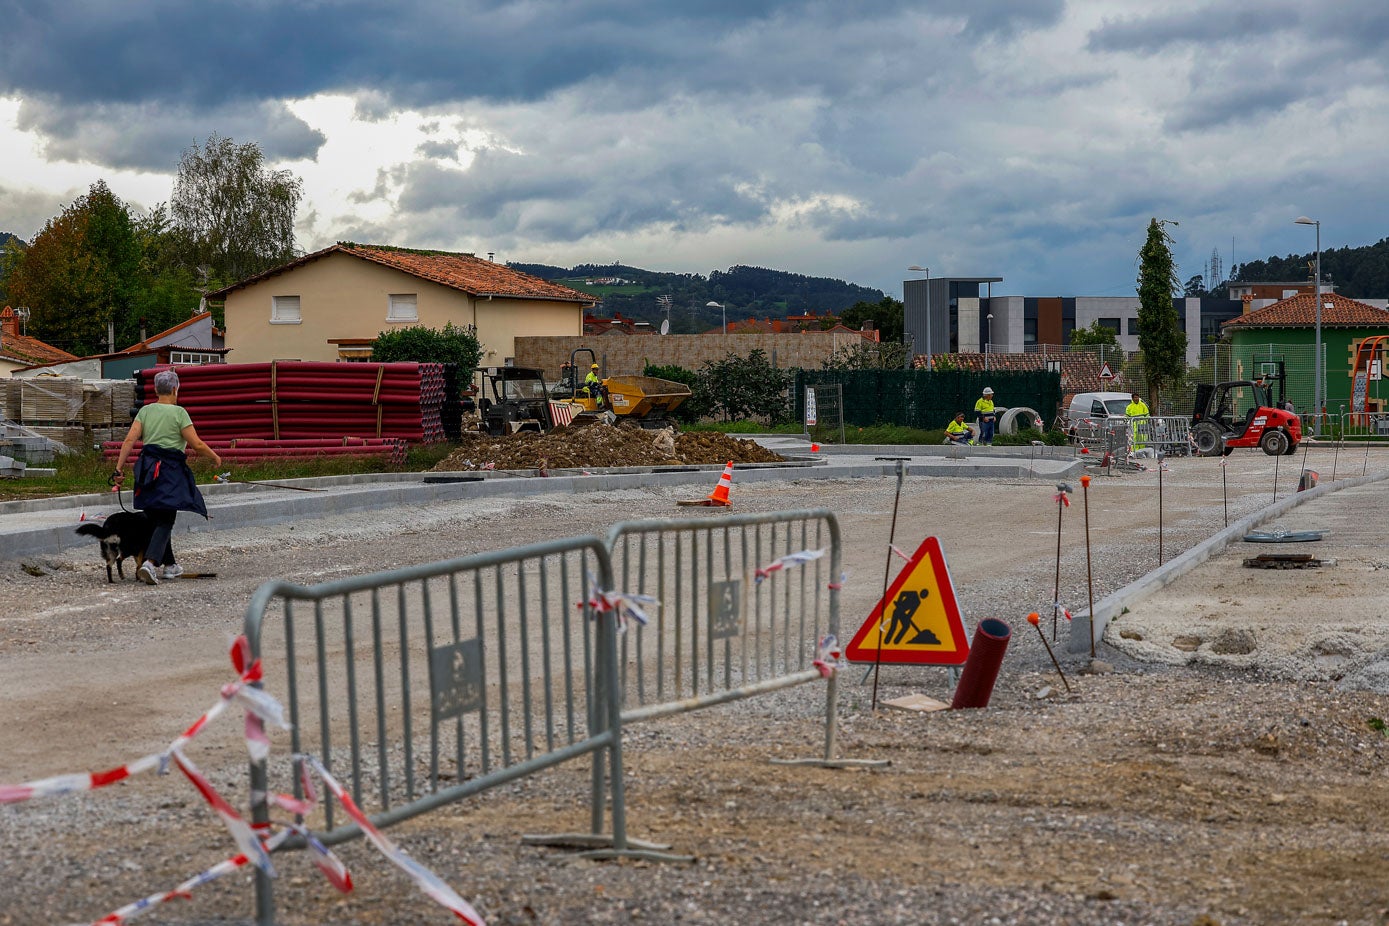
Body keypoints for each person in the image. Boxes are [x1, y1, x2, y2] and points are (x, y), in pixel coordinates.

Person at [113, 369, 222, 585]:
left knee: (156, 518)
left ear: (155, 389)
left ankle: (170, 565)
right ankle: (151, 563)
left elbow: (128, 441)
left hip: (146, 470)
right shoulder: (179, 413)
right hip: (169, 472)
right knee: (166, 518)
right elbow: (196, 443)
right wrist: (215, 456)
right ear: (175, 389)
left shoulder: (145, 411)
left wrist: (118, 470)